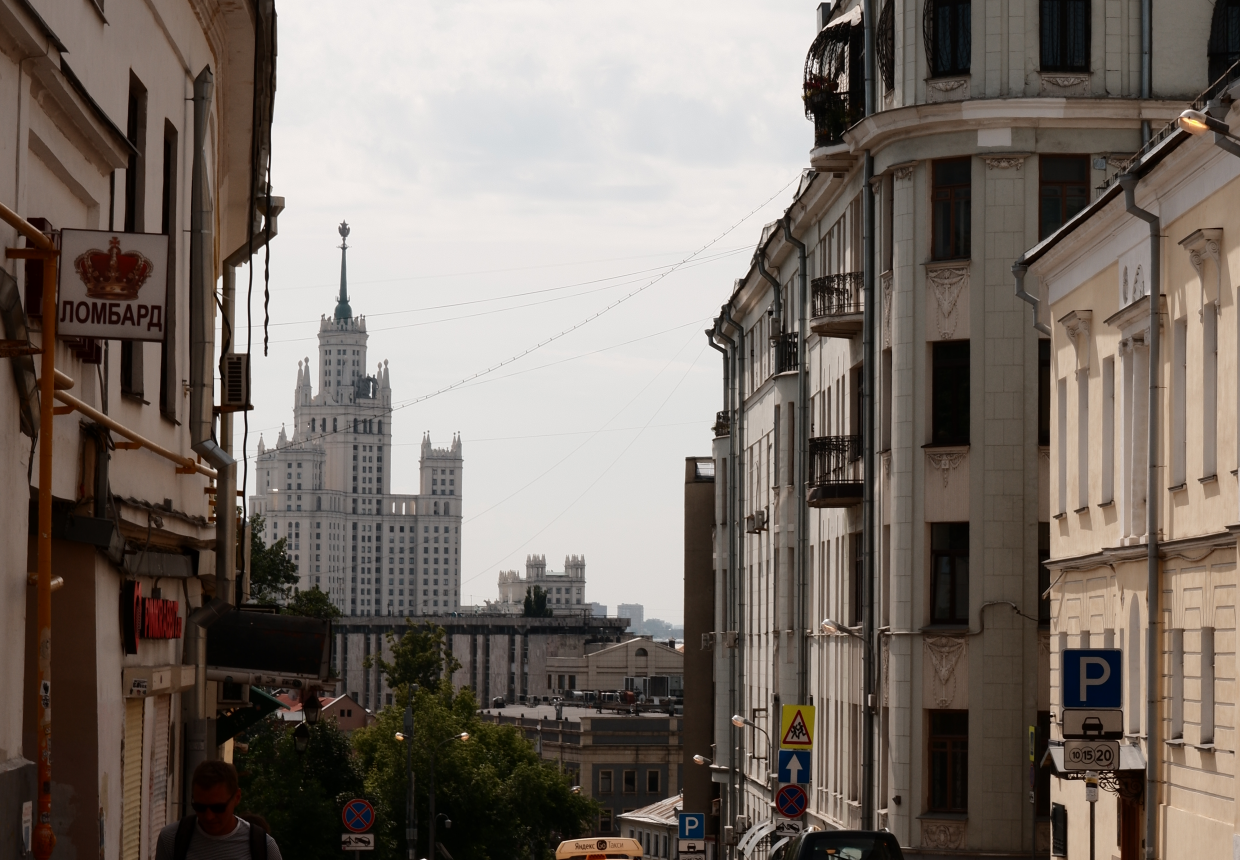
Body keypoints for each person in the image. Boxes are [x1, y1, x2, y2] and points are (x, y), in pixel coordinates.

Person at [155, 761, 282, 860]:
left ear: (237, 797)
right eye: (200, 807)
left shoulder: (264, 847)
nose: (209, 816)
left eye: (218, 808)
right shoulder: (172, 839)